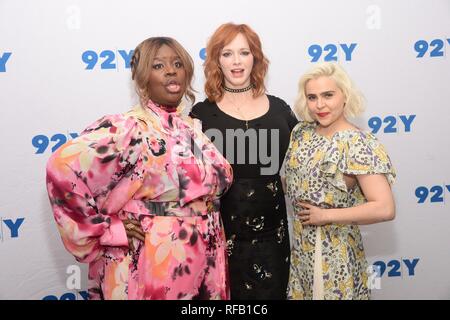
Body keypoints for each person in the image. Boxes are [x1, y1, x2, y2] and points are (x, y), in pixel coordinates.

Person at [46, 37, 233, 300]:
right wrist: (106, 230)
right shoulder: (130, 129)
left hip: (205, 263)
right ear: (142, 78)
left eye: (177, 63)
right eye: (158, 65)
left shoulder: (191, 129)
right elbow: (62, 167)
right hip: (156, 263)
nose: (171, 70)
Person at [190, 23, 298, 299]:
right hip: (220, 236)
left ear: (256, 58)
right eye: (227, 54)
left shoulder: (280, 109)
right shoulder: (200, 115)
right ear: (216, 61)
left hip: (274, 237)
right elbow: (185, 182)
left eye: (244, 52)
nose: (236, 61)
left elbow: (307, 164)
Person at [285, 62, 396, 300]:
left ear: (345, 95)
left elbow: (385, 207)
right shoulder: (301, 133)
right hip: (301, 251)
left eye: (328, 95)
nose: (320, 105)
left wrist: (325, 216)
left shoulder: (357, 143)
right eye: (312, 97)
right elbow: (296, 183)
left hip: (335, 256)